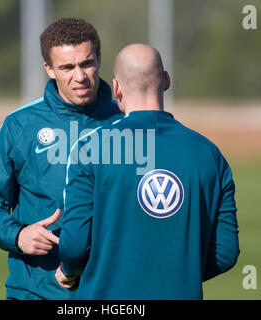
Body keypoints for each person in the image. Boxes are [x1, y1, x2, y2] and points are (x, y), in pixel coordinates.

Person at [56, 44, 240, 299]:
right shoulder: (209, 154)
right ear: (166, 80)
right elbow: (225, 252)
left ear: (117, 87)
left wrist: (69, 270)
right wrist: (175, 273)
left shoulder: (90, 148)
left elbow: (75, 245)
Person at [0, 18, 122, 300]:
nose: (79, 76)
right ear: (49, 69)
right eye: (66, 67)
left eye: (86, 63)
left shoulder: (126, 122)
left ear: (99, 59)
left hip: (108, 291)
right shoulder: (19, 125)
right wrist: (18, 235)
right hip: (34, 290)